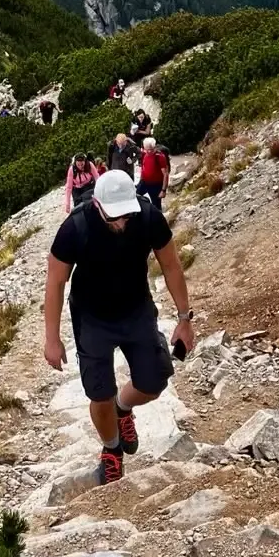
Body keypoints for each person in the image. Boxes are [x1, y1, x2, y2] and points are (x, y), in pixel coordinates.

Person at [44, 169, 195, 484]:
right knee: (99, 393)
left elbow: (171, 265)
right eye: (114, 216)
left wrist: (184, 319)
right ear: (98, 205)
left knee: (154, 380)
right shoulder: (76, 226)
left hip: (136, 309)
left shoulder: (148, 217)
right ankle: (111, 451)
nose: (122, 222)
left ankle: (123, 408)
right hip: (92, 318)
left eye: (127, 214)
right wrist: (52, 338)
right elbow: (56, 281)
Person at [137, 136, 170, 207]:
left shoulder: (160, 156)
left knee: (156, 205)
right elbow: (143, 168)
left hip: (156, 185)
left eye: (151, 149)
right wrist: (140, 181)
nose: (149, 151)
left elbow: (165, 174)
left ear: (154, 147)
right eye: (147, 149)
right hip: (144, 182)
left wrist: (163, 190)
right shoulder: (144, 154)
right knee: (136, 197)